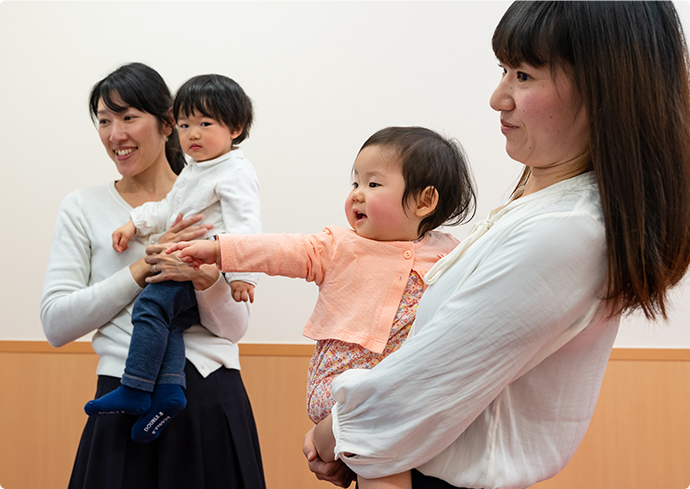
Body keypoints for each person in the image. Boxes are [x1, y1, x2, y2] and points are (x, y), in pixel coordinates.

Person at [301, 2, 690, 488]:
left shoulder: (568, 229)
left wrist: (336, 431)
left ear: (606, 90)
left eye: (524, 75)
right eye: (504, 70)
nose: (497, 97)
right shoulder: (544, 208)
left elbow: (424, 384)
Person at [167, 126, 476, 489]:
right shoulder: (338, 246)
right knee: (382, 458)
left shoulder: (450, 253)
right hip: (340, 385)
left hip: (397, 392)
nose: (358, 195)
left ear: (425, 201)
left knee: (405, 444)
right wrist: (220, 249)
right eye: (355, 183)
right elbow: (283, 250)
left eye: (373, 185)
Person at [40, 63, 266, 489]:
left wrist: (207, 280)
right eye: (104, 121)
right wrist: (145, 267)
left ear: (165, 125)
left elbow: (233, 329)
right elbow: (56, 324)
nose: (114, 134)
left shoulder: (213, 198)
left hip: (211, 397)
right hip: (125, 392)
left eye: (128, 117)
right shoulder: (82, 207)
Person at [84, 73, 261, 443]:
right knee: (170, 323)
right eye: (185, 124)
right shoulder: (196, 171)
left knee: (149, 307)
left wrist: (244, 276)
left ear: (236, 128)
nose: (192, 134)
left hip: (199, 269)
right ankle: (167, 392)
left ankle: (135, 388)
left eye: (204, 124)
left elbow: (247, 226)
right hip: (184, 268)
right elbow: (169, 208)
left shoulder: (234, 172)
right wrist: (135, 223)